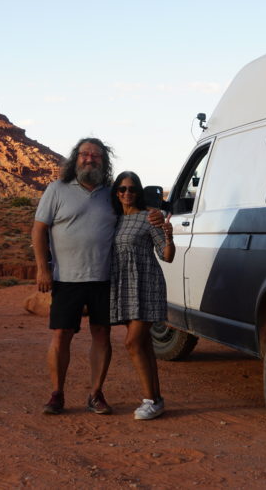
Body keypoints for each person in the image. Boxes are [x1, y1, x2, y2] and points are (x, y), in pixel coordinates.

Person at [32, 138, 120, 416]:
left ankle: (96, 393)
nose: (90, 159)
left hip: (103, 277)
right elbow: (38, 230)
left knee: (102, 334)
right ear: (75, 159)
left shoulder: (111, 193)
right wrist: (43, 268)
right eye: (85, 154)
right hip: (66, 278)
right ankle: (57, 393)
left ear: (103, 162)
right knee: (61, 334)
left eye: (96, 155)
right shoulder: (56, 190)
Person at [109, 171, 175, 420]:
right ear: (116, 192)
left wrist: (168, 234)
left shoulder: (149, 218)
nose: (127, 193)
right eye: (122, 189)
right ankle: (156, 400)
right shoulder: (112, 219)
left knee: (132, 342)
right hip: (124, 287)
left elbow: (167, 256)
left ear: (138, 192)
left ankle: (150, 400)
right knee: (144, 344)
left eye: (132, 189)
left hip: (146, 285)